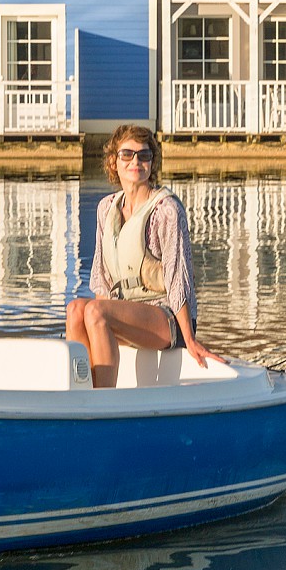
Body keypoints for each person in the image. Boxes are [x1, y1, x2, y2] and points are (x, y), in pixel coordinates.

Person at [67, 124, 214, 388]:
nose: (136, 161)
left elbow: (177, 278)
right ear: (114, 161)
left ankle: (104, 403)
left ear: (152, 163)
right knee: (77, 310)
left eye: (144, 155)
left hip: (167, 318)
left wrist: (189, 338)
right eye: (127, 154)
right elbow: (102, 279)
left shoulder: (167, 210)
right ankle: (81, 394)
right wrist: (98, 314)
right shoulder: (106, 208)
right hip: (126, 312)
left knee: (97, 313)